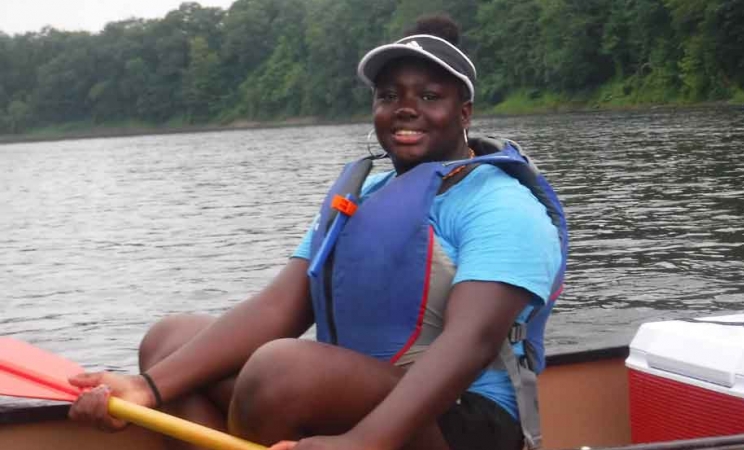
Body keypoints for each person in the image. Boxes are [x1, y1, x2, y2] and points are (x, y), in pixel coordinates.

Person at [67, 15, 567, 450]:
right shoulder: (362, 193)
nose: (405, 108)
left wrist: (364, 442)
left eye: (429, 96)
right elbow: (280, 306)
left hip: (467, 422)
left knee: (280, 371)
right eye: (388, 95)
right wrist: (146, 389)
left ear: (464, 113)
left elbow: (471, 342)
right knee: (169, 339)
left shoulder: (502, 204)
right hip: (358, 391)